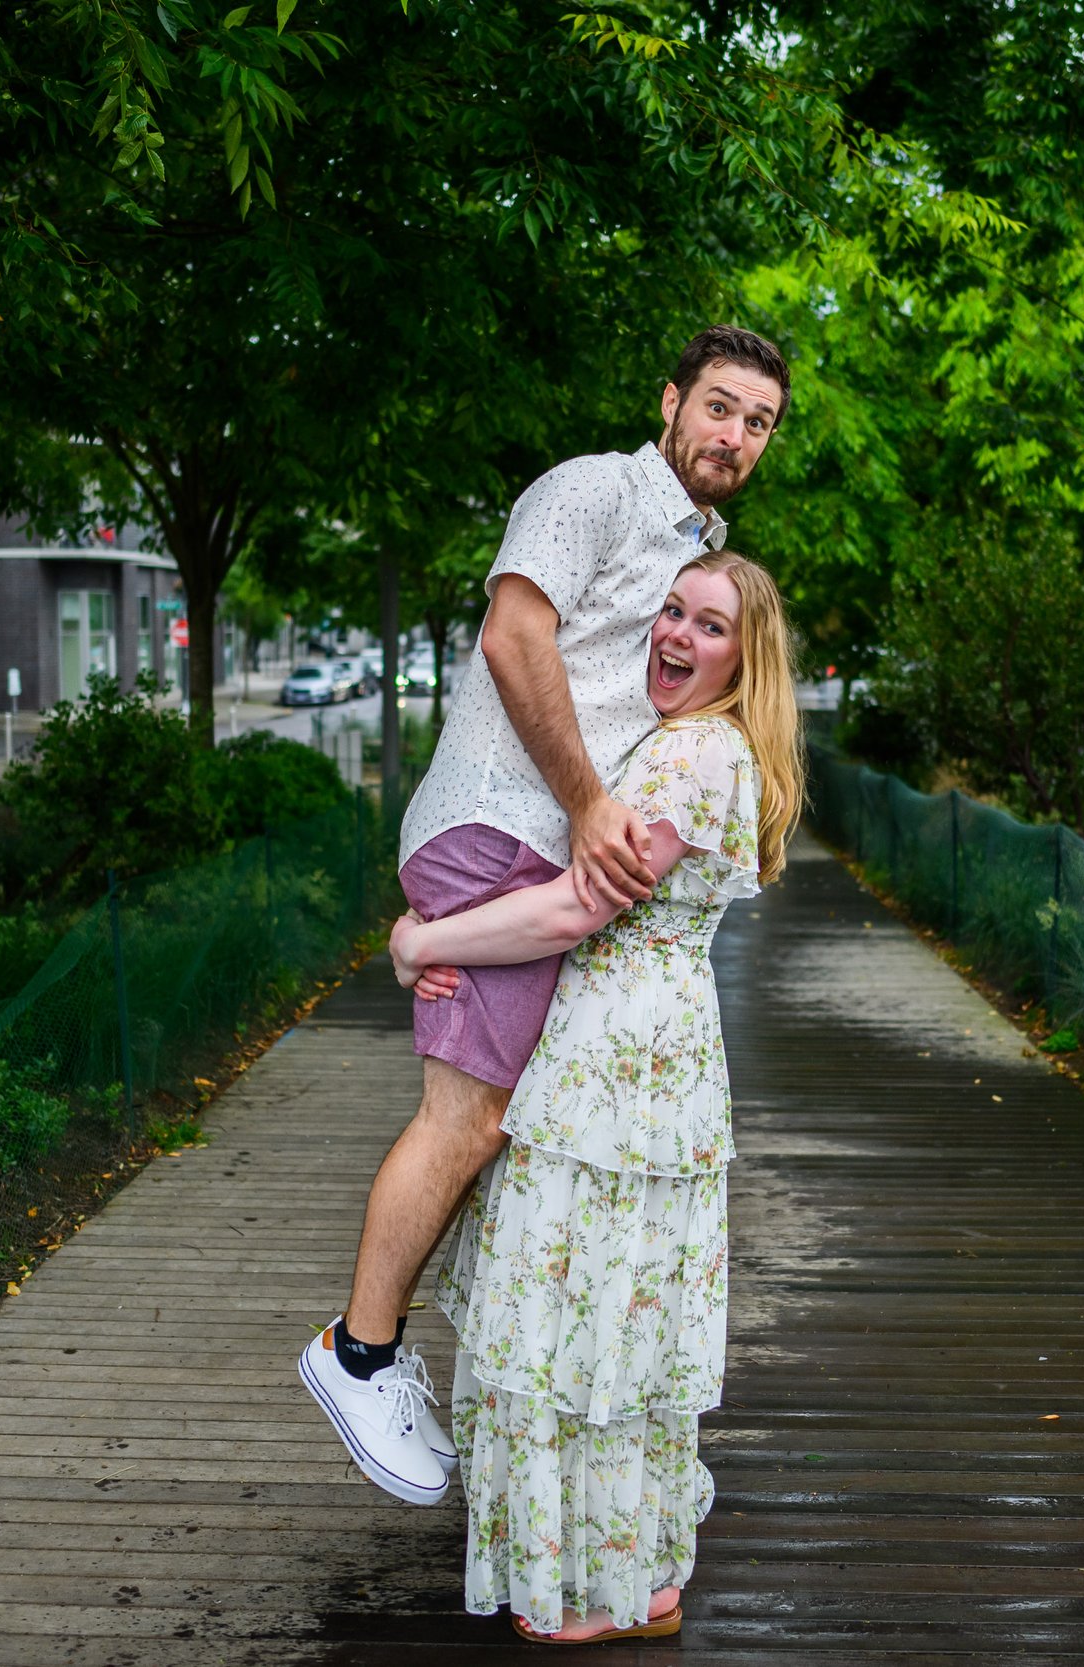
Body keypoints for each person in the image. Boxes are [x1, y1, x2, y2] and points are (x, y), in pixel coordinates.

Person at [297, 325, 790, 1510]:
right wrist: (586, 804)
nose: (733, 435)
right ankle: (358, 1351)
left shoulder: (692, 548)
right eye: (718, 406)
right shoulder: (591, 490)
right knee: (468, 1119)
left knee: (516, 1124)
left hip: (532, 841)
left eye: (757, 422)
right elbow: (513, 637)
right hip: (504, 821)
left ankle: (578, 1421)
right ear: (671, 401)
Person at [391, 552, 801, 1642]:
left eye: (709, 626)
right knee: (611, 1307)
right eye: (672, 609)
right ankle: (633, 1571)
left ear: (743, 658)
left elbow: (573, 909)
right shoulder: (691, 747)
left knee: (580, 1309)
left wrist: (423, 937)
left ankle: (600, 1588)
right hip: (641, 1057)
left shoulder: (694, 758)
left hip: (619, 1068)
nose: (676, 633)